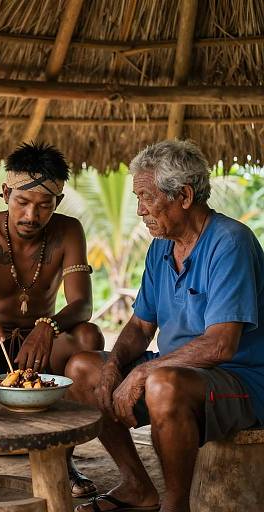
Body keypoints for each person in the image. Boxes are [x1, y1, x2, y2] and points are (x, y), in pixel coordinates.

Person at [66, 139, 264, 512]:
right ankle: (137, 487)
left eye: (146, 196)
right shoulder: (161, 246)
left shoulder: (230, 242)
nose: (139, 209)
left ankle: (176, 505)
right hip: (176, 372)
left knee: (161, 383)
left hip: (241, 379)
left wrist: (142, 375)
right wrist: (112, 368)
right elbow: (141, 326)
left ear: (184, 196)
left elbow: (221, 346)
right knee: (82, 370)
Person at [0, 141, 105, 500]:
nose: (31, 215)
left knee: (88, 336)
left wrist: (48, 326)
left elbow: (82, 304)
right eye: (22, 202)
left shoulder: (68, 231)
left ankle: (62, 459)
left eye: (44, 205)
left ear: (57, 202)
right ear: (5, 192)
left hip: (40, 351)